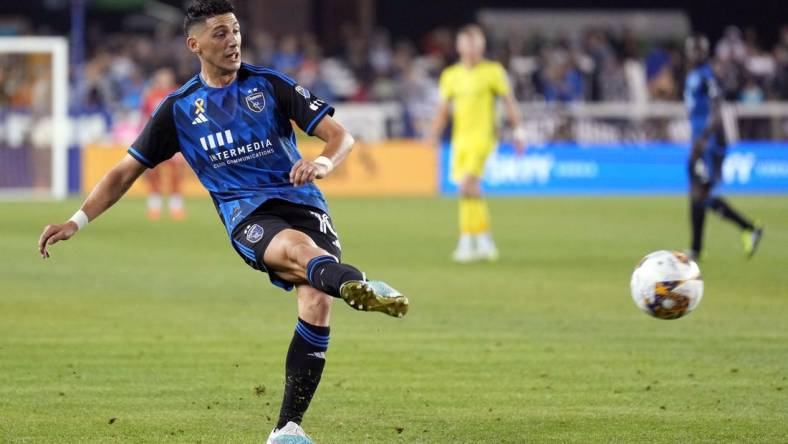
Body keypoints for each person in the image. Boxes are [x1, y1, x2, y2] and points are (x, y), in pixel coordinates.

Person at [36, 1, 409, 442]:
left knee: (317, 301)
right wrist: (77, 221)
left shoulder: (269, 84)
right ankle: (358, 283)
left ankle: (287, 430)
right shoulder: (179, 109)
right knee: (297, 251)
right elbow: (125, 170)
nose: (232, 40)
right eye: (219, 33)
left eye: (235, 30)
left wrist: (324, 163)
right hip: (247, 214)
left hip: (305, 202)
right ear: (194, 44)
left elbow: (340, 136)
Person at [427, 24, 525, 263]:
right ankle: (482, 241)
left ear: (481, 46)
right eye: (466, 43)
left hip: (484, 139)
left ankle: (468, 241)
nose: (471, 49)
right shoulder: (451, 75)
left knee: (467, 185)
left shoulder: (493, 71)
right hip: (461, 141)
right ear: (459, 46)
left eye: (475, 44)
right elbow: (443, 109)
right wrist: (433, 133)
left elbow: (509, 102)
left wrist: (518, 131)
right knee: (468, 190)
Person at [684, 34, 763, 261]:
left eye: (698, 50)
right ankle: (696, 249)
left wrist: (704, 139)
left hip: (709, 144)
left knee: (702, 193)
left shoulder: (707, 77)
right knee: (696, 192)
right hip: (699, 141)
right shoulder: (693, 76)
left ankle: (748, 228)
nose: (694, 55)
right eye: (692, 50)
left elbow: (717, 111)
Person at [140, 67, 187, 220]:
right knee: (153, 175)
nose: (164, 80)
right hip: (154, 140)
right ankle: (154, 208)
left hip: (174, 139)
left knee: (175, 175)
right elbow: (145, 118)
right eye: (161, 77)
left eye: (166, 77)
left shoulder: (177, 93)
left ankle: (176, 208)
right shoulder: (150, 95)